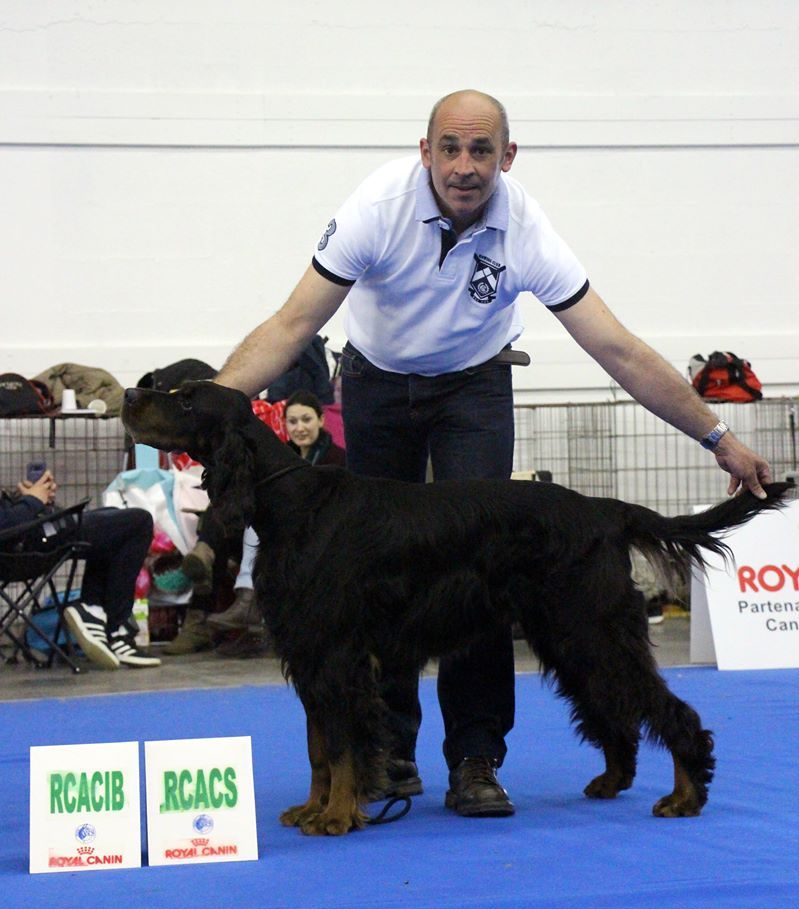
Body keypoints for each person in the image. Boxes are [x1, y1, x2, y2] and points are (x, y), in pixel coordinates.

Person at [214, 89, 772, 817]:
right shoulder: (375, 209)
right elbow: (290, 325)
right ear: (425, 152)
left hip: (473, 388)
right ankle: (389, 757)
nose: (464, 165)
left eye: (481, 150)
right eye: (449, 147)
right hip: (377, 385)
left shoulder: (526, 229)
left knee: (479, 573)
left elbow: (617, 349)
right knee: (372, 593)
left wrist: (717, 436)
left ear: (506, 157)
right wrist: (215, 413)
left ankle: (475, 757)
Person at [206, 389, 346, 657]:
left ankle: (248, 602)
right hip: (283, 539)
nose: (300, 428)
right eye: (292, 422)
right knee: (220, 518)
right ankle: (218, 586)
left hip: (320, 540)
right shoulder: (281, 457)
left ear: (321, 420)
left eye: (306, 419)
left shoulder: (337, 459)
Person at [1, 470, 161, 669]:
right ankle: (112, 627)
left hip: (26, 539)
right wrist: (33, 501)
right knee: (138, 522)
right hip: (21, 550)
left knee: (113, 517)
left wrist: (28, 499)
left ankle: (95, 612)